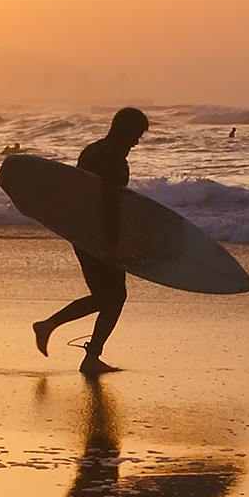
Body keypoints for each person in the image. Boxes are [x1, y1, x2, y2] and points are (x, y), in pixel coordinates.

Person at [32, 107, 150, 369]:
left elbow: (83, 195)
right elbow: (110, 204)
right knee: (114, 296)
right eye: (136, 134)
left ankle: (53, 329)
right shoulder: (115, 162)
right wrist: (112, 246)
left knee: (104, 296)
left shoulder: (92, 151)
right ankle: (88, 355)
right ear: (124, 130)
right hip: (100, 237)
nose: (136, 141)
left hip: (82, 233)